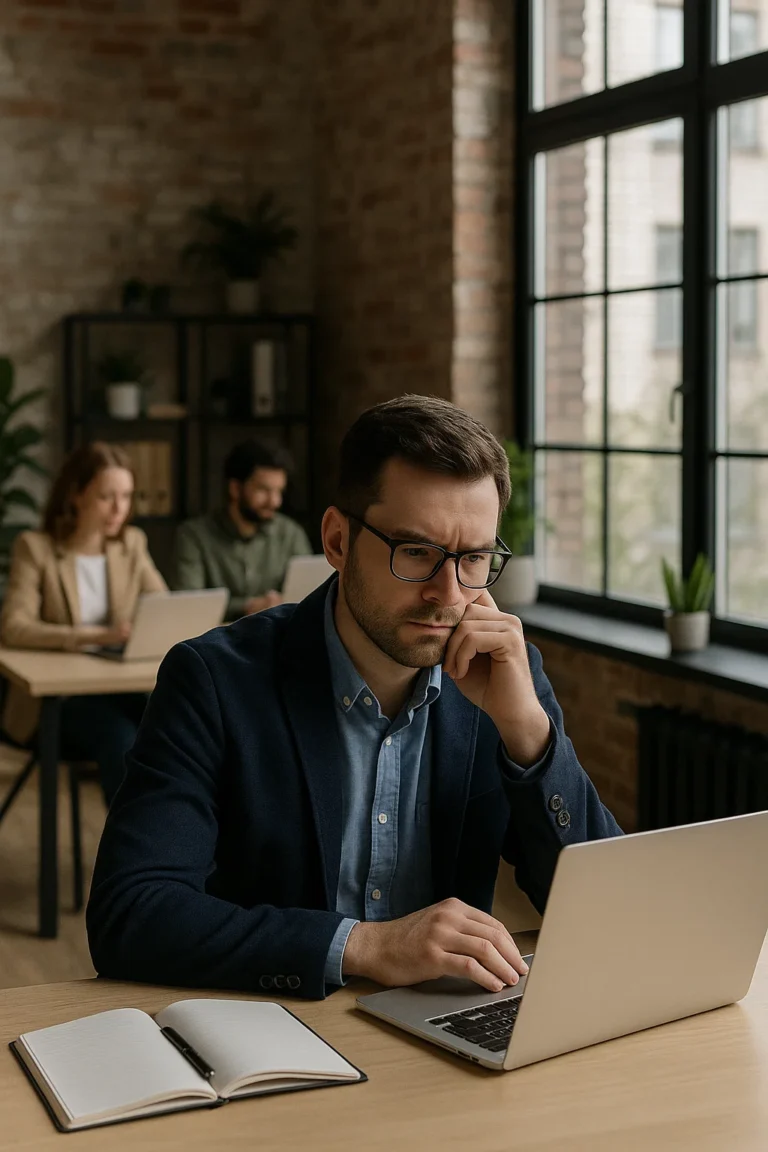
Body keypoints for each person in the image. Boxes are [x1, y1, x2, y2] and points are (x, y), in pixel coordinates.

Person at [87, 396, 622, 999]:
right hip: (275, 1028)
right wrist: (365, 945)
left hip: (441, 1035)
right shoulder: (212, 681)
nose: (448, 594)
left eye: (473, 558)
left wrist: (530, 735)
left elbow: (611, 911)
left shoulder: (507, 677)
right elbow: (130, 914)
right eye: (415, 552)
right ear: (337, 541)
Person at [0, 442, 167, 804]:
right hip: (57, 702)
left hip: (117, 688)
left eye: (126, 495)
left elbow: (163, 606)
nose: (119, 508)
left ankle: (176, 844)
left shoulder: (132, 544)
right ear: (76, 494)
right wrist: (92, 636)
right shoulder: (35, 548)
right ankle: (131, 854)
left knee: (175, 730)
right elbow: (14, 626)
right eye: (107, 496)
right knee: (121, 739)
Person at [174, 439, 312, 620]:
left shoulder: (291, 534)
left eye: (279, 491)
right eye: (263, 490)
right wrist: (248, 606)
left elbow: (311, 595)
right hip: (215, 642)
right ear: (235, 488)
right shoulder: (194, 536)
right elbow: (188, 604)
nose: (275, 501)